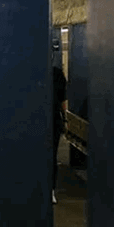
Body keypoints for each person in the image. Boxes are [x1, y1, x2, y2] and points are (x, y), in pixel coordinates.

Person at [52, 65, 67, 204]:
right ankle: (51, 190)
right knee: (52, 156)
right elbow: (63, 100)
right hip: (54, 120)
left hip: (40, 120)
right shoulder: (57, 73)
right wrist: (64, 118)